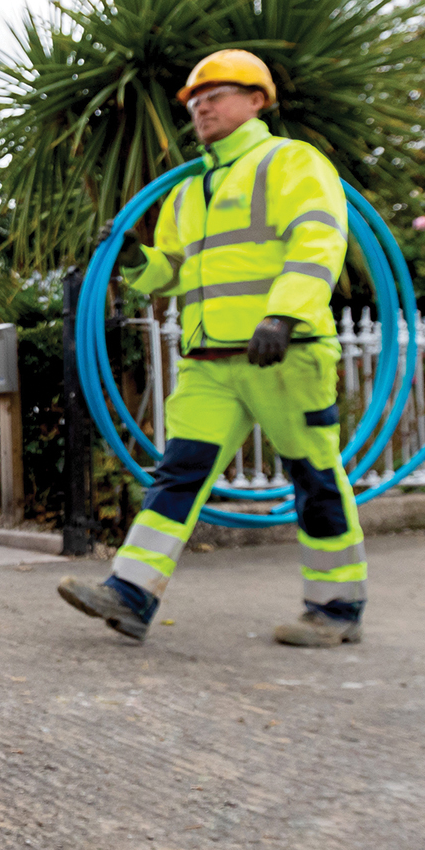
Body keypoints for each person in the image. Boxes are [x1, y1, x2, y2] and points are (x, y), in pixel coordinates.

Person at [57, 50, 366, 647]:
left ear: (257, 101)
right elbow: (171, 273)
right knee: (177, 474)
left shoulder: (290, 162)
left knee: (313, 474)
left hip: (285, 352)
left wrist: (284, 315)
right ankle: (131, 593)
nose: (202, 105)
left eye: (218, 93)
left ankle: (338, 606)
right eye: (196, 99)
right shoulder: (187, 192)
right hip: (209, 363)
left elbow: (318, 240)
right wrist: (133, 262)